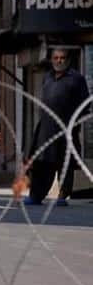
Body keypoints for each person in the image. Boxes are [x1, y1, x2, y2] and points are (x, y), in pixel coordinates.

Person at [25, 48, 90, 206]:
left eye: (62, 58)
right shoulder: (47, 77)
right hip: (46, 128)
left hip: (66, 128)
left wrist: (74, 123)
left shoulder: (76, 79)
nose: (59, 61)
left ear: (68, 60)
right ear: (51, 60)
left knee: (64, 163)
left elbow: (85, 105)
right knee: (42, 163)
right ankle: (36, 195)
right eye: (55, 58)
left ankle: (62, 195)